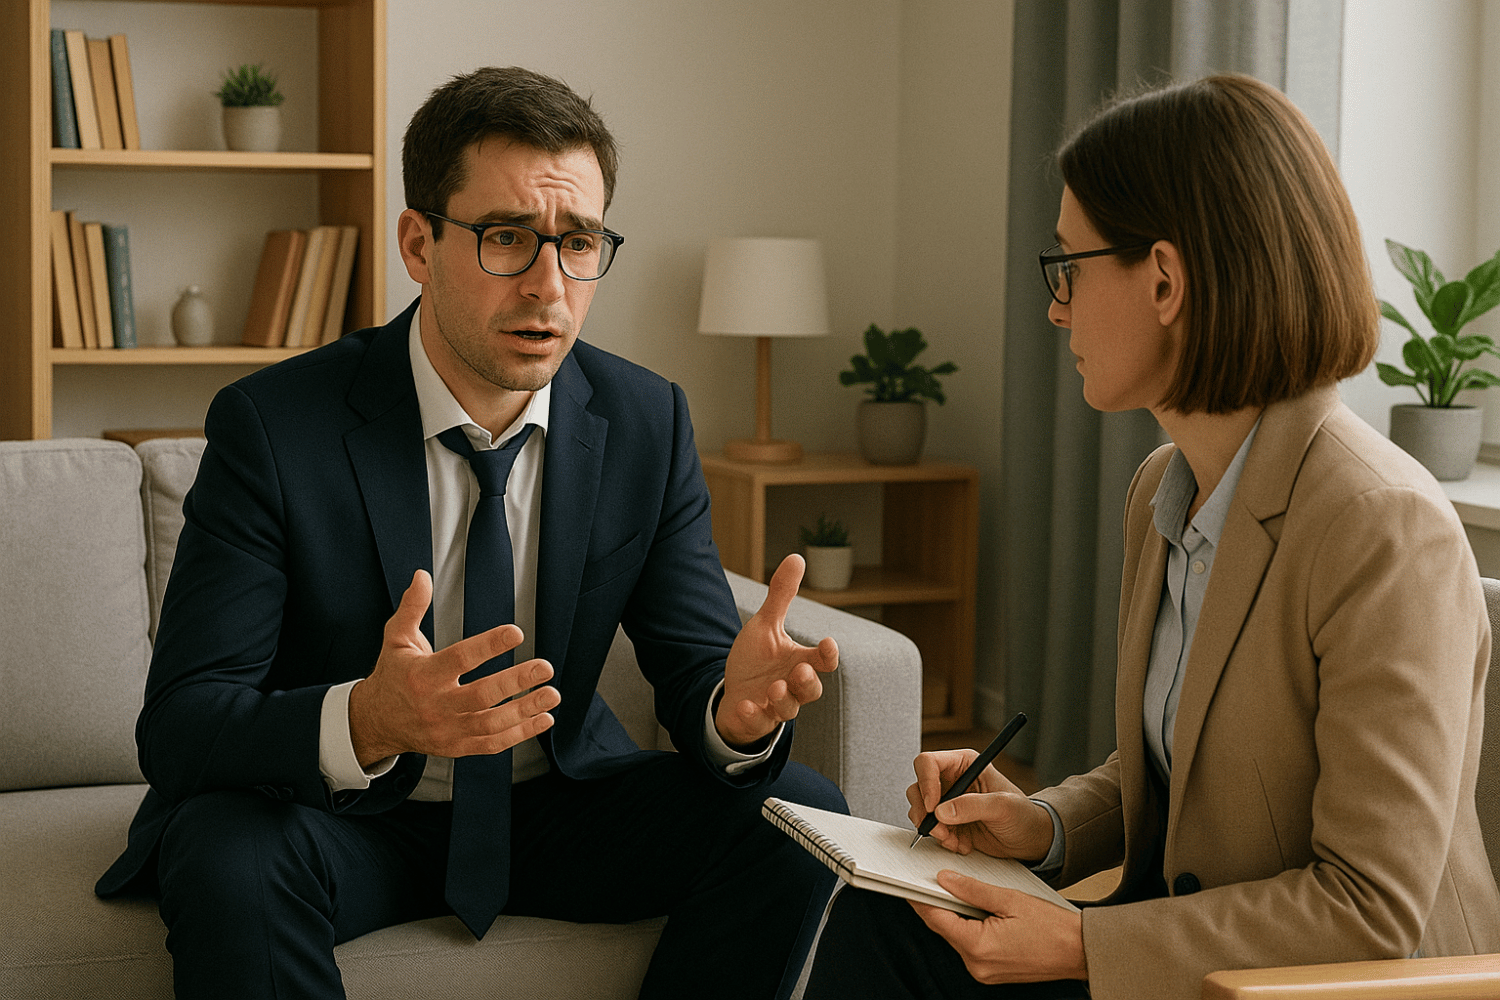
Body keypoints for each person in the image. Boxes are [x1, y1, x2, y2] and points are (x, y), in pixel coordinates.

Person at [96, 66, 846, 1000]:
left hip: (557, 808)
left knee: (802, 813)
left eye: (578, 243)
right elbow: (182, 725)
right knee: (223, 855)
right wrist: (369, 718)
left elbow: (696, 664)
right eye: (507, 239)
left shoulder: (646, 420)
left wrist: (731, 718)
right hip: (345, 817)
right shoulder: (274, 426)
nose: (549, 285)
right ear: (418, 242)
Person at [802, 73, 1500, 1000]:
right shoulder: (1163, 491)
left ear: (1164, 280)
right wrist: (1042, 825)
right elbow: (1175, 780)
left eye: (1069, 269)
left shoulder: (1382, 528)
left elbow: (1369, 909)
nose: (1056, 309)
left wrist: (1085, 948)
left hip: (1344, 984)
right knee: (884, 912)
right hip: (1198, 953)